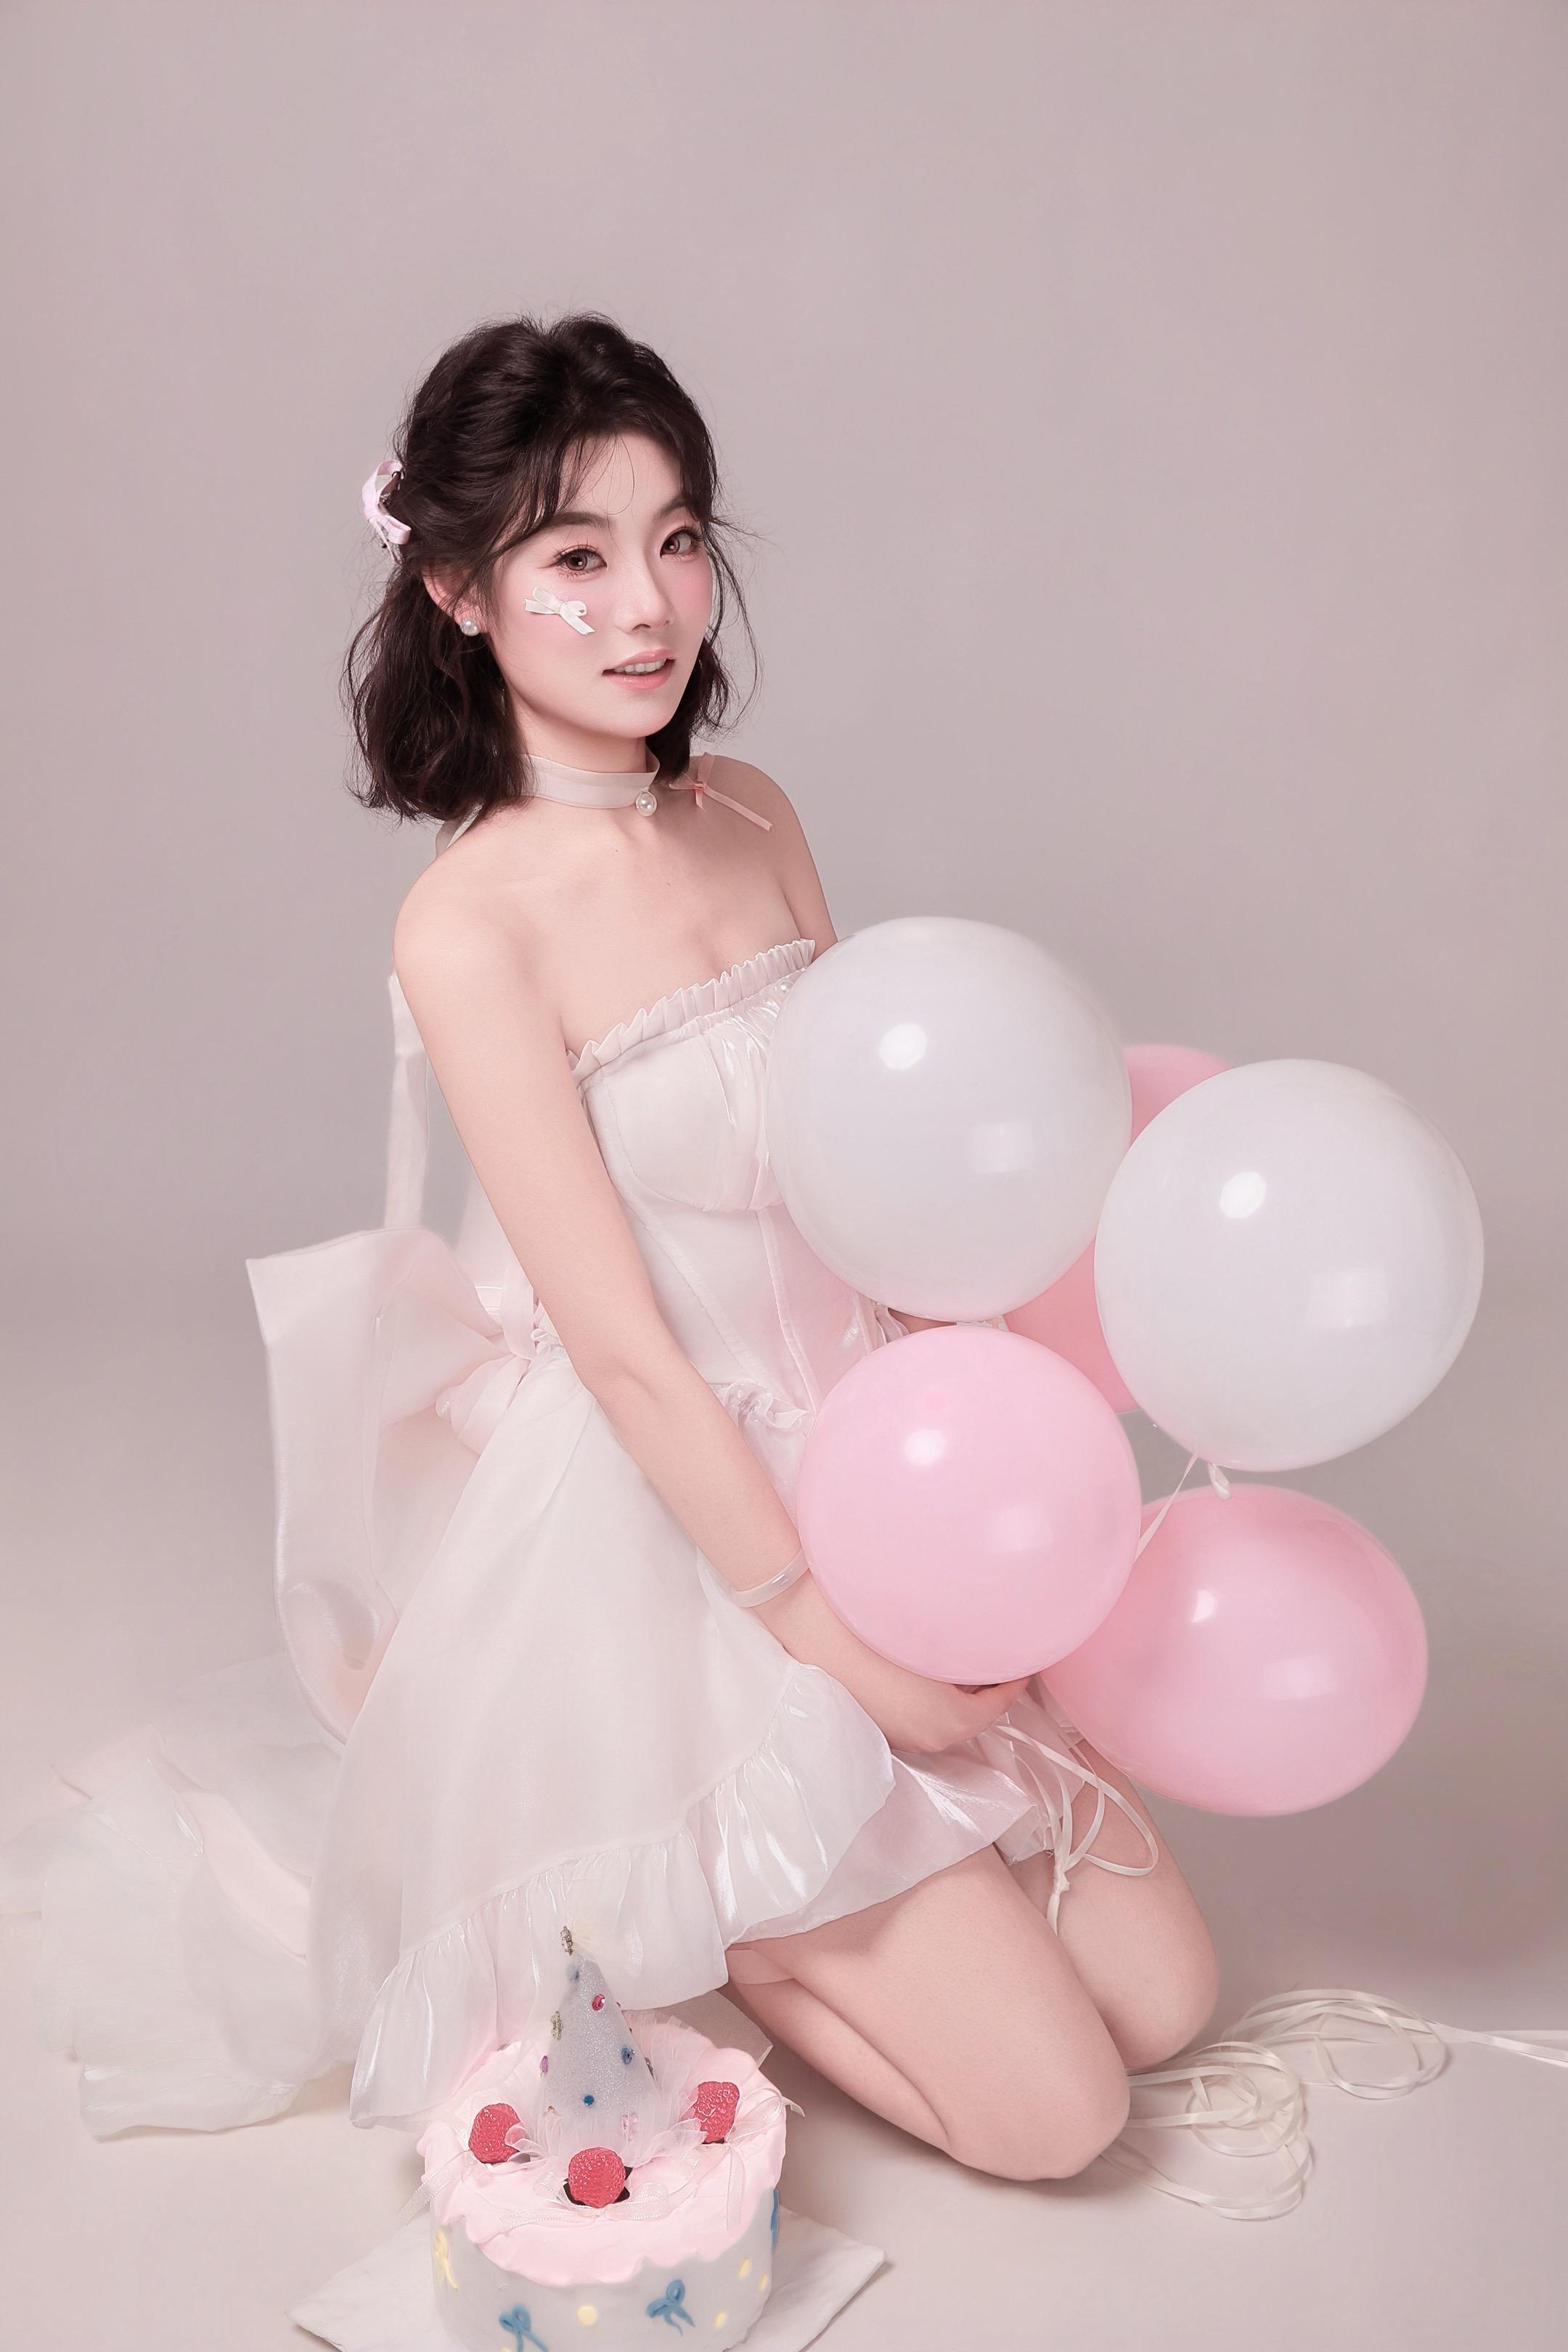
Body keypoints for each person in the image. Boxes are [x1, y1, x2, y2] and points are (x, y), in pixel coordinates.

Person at [0, 309, 1233, 2187]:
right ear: (458, 590)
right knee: (1065, 2116)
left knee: (1172, 2000)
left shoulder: (754, 812)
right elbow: (630, 1355)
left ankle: (864, 1882)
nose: (645, 606)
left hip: (881, 1459)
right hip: (684, 1524)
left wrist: (968, 1519)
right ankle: (717, 1909)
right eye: (576, 557)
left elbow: (880, 1191)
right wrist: (834, 1649)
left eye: (676, 540)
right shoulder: (471, 924)